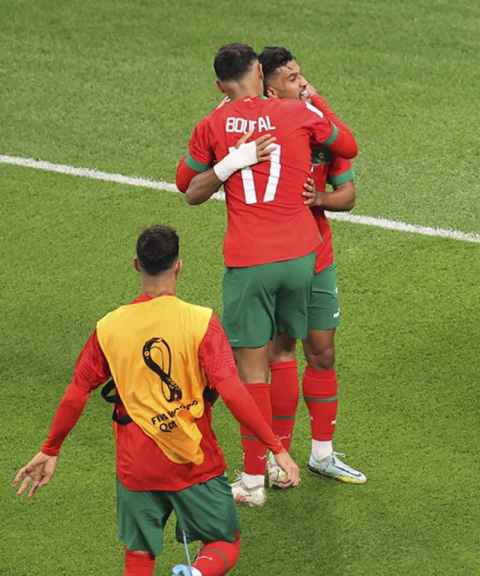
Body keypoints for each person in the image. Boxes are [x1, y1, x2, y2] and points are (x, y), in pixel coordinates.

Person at [12, 225, 300, 576]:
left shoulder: (109, 327)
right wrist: (276, 447)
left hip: (138, 464)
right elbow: (233, 391)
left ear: (136, 264)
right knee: (224, 542)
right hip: (193, 459)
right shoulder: (201, 322)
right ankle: (196, 573)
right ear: (179, 265)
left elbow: (77, 391)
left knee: (139, 553)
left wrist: (51, 448)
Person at [175, 42, 358, 507]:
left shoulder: (214, 123)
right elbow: (347, 144)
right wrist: (314, 102)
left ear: (220, 85)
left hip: (251, 258)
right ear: (262, 73)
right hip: (301, 256)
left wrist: (229, 160)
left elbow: (188, 187)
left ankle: (256, 476)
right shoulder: (298, 117)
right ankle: (283, 459)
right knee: (285, 352)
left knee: (253, 369)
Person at [257, 46, 366, 486]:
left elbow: (349, 193)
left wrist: (319, 198)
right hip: (279, 258)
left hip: (319, 258)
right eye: (292, 78)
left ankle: (321, 453)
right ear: (269, 87)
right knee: (280, 350)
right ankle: (277, 455)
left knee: (322, 351)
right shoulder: (265, 134)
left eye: (302, 74)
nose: (302, 82)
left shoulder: (322, 132)